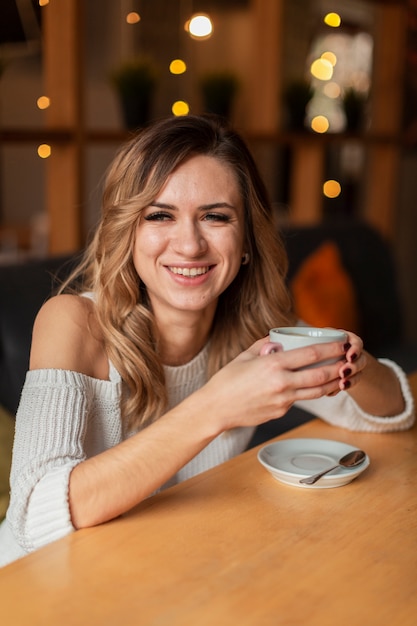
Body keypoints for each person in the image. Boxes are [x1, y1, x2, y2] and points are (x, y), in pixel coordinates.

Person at [0, 114, 414, 567]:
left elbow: (389, 416)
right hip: (35, 586)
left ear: (247, 240)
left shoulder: (257, 333)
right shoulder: (74, 322)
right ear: (128, 233)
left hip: (151, 571)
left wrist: (349, 361)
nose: (190, 245)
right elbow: (33, 516)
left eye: (215, 217)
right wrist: (218, 405)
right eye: (160, 215)